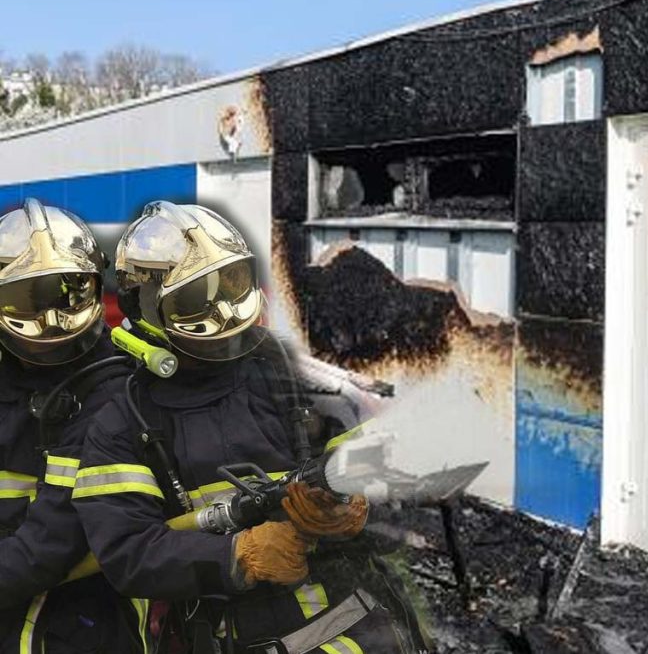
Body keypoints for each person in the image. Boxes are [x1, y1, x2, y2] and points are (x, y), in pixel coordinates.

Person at [71, 201, 426, 653]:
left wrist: (358, 512)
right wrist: (235, 556)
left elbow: (392, 497)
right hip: (233, 636)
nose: (221, 311)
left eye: (229, 285)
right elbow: (127, 553)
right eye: (196, 298)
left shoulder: (292, 379)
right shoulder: (124, 421)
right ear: (147, 309)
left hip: (359, 625)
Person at [0, 198, 148, 653]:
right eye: (28, 297)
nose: (52, 319)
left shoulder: (112, 392)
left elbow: (51, 543)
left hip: (78, 620)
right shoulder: (10, 371)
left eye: (67, 292)